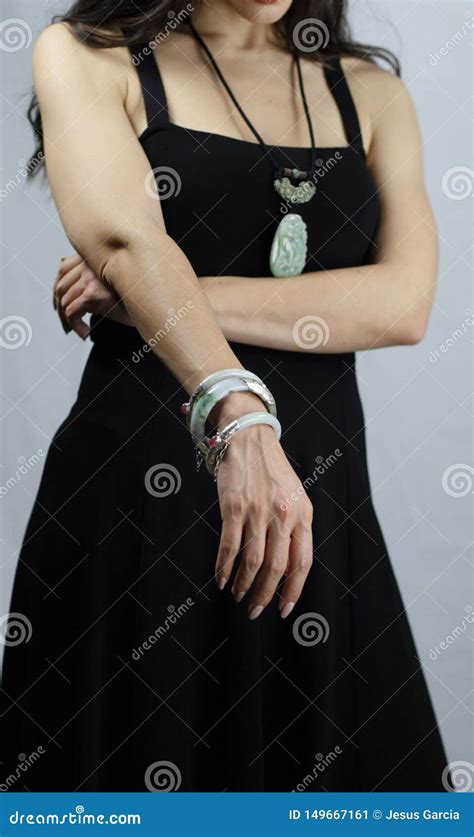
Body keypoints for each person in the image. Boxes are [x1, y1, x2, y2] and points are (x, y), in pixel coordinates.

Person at [2, 0, 448, 791]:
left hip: (319, 510)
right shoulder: (85, 56)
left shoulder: (369, 92)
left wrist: (159, 291)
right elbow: (127, 240)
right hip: (139, 509)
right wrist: (238, 414)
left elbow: (404, 302)